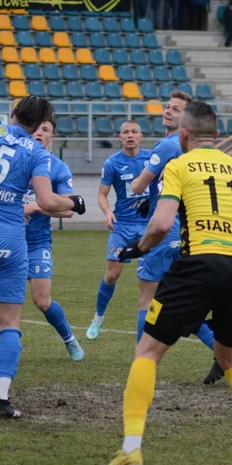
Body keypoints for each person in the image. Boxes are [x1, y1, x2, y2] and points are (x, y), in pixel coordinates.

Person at [97, 101, 232, 465]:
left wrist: (138, 248)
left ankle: (130, 449)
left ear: (183, 136)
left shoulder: (178, 164)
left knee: (147, 351)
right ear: (218, 136)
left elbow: (161, 224)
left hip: (197, 264)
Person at [0, 97, 85, 419]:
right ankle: (1, 398)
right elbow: (47, 200)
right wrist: (75, 203)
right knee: (11, 322)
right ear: (37, 127)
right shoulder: (37, 154)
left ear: (13, 113)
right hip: (11, 241)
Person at [125, 91, 221, 382]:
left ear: (186, 122)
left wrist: (144, 190)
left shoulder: (166, 146)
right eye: (167, 106)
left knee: (146, 299)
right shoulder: (195, 153)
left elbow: (139, 185)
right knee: (186, 307)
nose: (168, 111)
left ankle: (141, 363)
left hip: (162, 234)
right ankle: (221, 352)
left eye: (176, 109)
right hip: (188, 233)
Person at [22, 117, 84, 361]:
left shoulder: (58, 169)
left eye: (45, 130)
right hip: (9, 239)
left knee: (41, 299)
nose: (39, 132)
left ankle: (70, 339)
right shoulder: (16, 160)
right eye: (36, 128)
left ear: (51, 138)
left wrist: (35, 207)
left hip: (37, 242)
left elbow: (68, 210)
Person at [88, 121, 152, 340]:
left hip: (148, 226)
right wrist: (107, 213)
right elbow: (101, 194)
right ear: (120, 137)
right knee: (112, 275)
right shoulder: (112, 163)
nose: (130, 135)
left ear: (141, 136)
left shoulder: (152, 159)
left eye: (134, 131)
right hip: (122, 225)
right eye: (126, 132)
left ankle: (148, 328)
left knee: (149, 279)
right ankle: (98, 317)